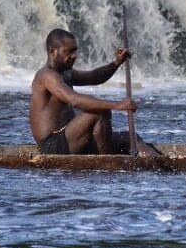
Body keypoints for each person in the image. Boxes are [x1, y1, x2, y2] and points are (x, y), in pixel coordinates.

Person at [29, 28, 159, 156]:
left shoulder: (65, 72)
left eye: (75, 50)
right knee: (100, 111)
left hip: (71, 138)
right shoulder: (46, 76)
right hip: (53, 145)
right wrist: (118, 105)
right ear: (52, 51)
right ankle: (109, 162)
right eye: (69, 51)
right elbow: (73, 99)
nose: (74, 56)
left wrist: (116, 63)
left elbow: (94, 77)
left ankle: (158, 163)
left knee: (130, 137)